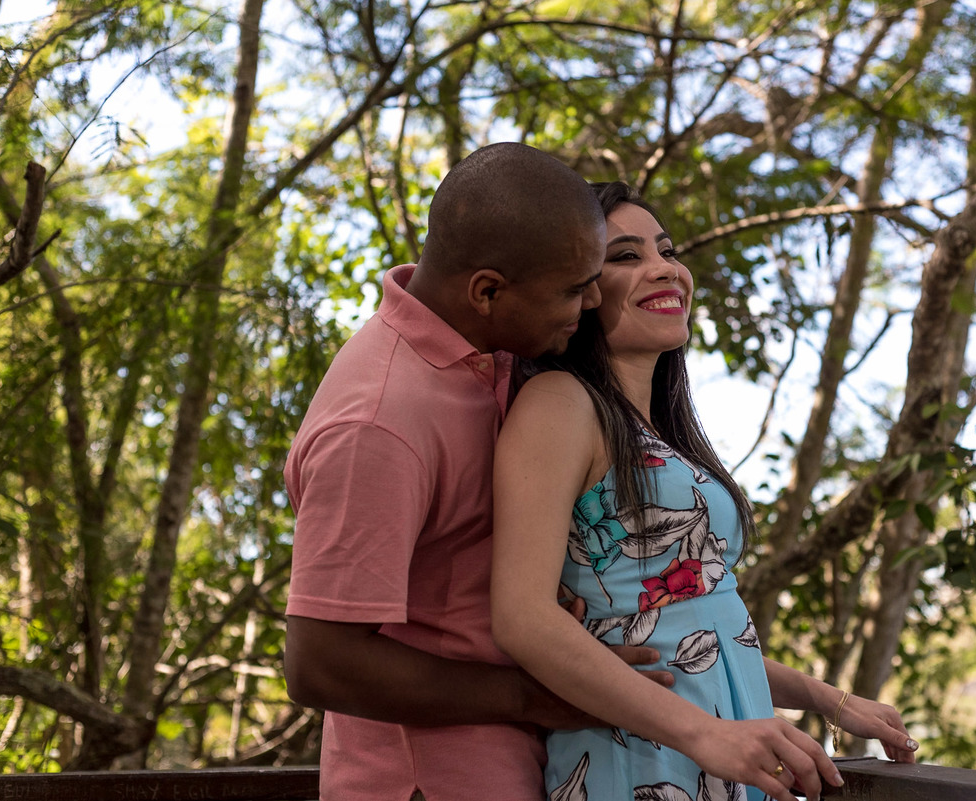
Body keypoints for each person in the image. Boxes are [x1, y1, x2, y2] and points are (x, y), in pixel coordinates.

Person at [490, 182, 919, 801]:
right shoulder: (559, 402)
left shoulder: (657, 432)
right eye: (627, 255)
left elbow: (697, 635)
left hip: (724, 745)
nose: (666, 268)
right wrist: (705, 734)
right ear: (580, 289)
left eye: (666, 250)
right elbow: (522, 618)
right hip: (640, 756)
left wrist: (831, 701)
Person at [282, 145, 671, 801]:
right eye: (573, 288)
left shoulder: (486, 351)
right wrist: (537, 695)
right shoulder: (379, 423)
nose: (592, 299)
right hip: (429, 782)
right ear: (487, 291)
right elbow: (320, 662)